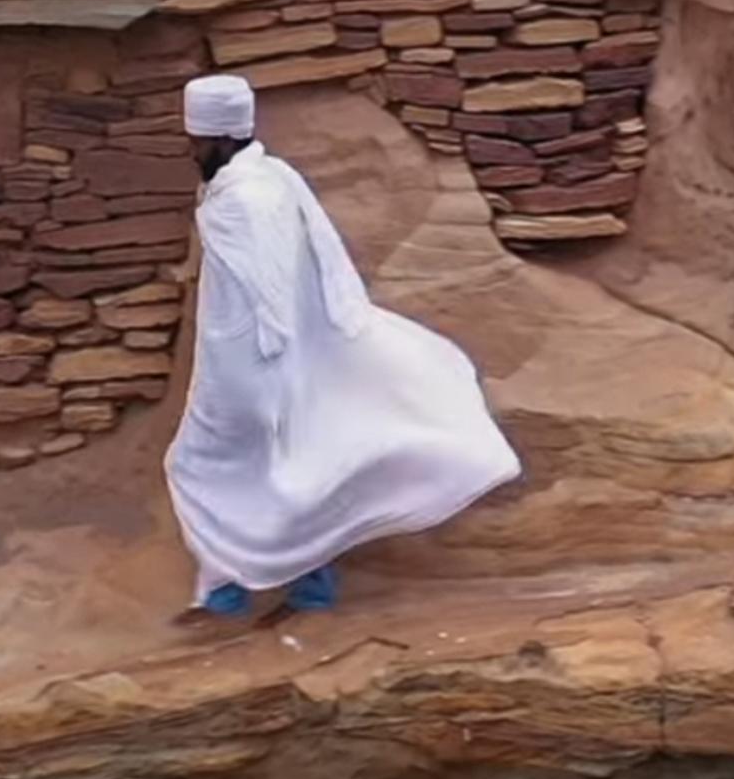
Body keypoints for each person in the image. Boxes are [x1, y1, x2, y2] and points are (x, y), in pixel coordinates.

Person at [162, 74, 521, 616]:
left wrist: (256, 367)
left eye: (195, 140)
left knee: (206, 469)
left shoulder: (245, 200)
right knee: (276, 473)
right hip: (268, 356)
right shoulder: (271, 177)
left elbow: (266, 289)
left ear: (214, 138)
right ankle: (271, 586)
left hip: (248, 362)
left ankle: (234, 594)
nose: (190, 150)